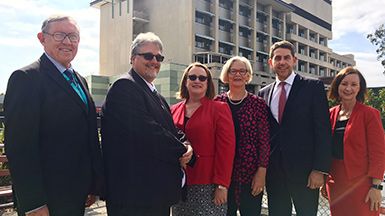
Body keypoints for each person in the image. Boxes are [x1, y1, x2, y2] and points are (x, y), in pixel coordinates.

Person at [4, 15, 104, 216]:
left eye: (73, 37)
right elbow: (20, 147)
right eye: (60, 35)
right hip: (46, 200)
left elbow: (88, 137)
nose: (67, 42)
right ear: (42, 38)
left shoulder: (80, 81)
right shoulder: (26, 79)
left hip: (76, 193)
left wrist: (93, 184)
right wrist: (33, 203)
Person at [101, 32, 193, 216]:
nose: (154, 61)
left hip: (154, 194)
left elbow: (171, 127)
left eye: (159, 57)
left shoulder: (154, 93)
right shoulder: (124, 87)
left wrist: (187, 145)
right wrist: (181, 150)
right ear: (133, 58)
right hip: (133, 197)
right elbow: (149, 132)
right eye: (148, 56)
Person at [258, 40, 332, 216]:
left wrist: (319, 169)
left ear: (294, 60)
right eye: (277, 58)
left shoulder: (313, 87)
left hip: (306, 173)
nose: (282, 62)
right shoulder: (263, 93)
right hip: (275, 173)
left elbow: (323, 130)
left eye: (286, 58)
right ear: (271, 62)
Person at [171, 62, 235, 216]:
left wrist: (222, 185)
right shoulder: (173, 110)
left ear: (208, 83)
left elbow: (226, 149)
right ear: (186, 81)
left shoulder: (219, 109)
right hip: (179, 182)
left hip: (208, 184)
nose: (197, 81)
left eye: (202, 78)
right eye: (192, 77)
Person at [215, 56, 270, 216]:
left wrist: (261, 173)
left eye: (242, 71)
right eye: (233, 71)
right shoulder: (218, 102)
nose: (237, 74)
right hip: (224, 174)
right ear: (227, 75)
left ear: (248, 75)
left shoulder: (258, 104)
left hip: (250, 173)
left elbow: (264, 141)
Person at [326, 67, 385, 216]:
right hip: (335, 183)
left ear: (360, 88)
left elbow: (378, 152)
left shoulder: (370, 114)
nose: (348, 88)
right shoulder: (330, 114)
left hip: (362, 185)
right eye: (344, 84)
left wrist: (376, 188)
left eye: (354, 85)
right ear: (337, 86)